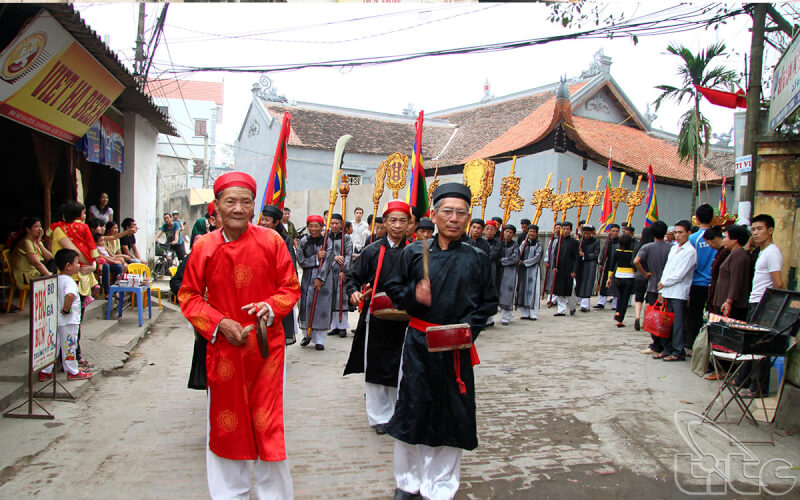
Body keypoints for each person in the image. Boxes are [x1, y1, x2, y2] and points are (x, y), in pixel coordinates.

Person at [178, 171, 300, 499]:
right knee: (225, 424)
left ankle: (273, 494)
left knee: (267, 423)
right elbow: (188, 295)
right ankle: (230, 493)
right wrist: (218, 323)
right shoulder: (204, 246)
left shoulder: (272, 241)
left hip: (265, 350)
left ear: (253, 207)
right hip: (225, 350)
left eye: (246, 202)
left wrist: (270, 307)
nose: (238, 208)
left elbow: (290, 287)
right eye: (230, 201)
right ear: (216, 206)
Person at [383, 183, 498, 500]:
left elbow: (488, 303)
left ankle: (441, 486)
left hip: (456, 350)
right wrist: (413, 297)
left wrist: (465, 332)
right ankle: (408, 482)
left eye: (461, 212)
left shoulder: (477, 257)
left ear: (468, 217)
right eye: (447, 211)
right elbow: (393, 291)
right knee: (412, 410)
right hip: (418, 344)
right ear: (433, 214)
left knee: (451, 415)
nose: (454, 218)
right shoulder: (412, 253)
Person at [344, 200, 411, 434]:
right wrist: (353, 292)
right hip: (377, 319)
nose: (397, 225)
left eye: (403, 220)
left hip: (405, 320)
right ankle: (379, 417)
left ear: (409, 223)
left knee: (400, 366)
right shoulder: (372, 251)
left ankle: (396, 414)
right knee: (377, 367)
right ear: (385, 222)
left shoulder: (415, 252)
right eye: (393, 220)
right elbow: (352, 277)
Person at [738, 214, 784, 398]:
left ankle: (758, 387)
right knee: (753, 347)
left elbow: (778, 284)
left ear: (770, 230)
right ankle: (750, 383)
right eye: (753, 229)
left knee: (760, 348)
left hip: (763, 304)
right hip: (755, 301)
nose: (755, 233)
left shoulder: (772, 252)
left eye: (760, 229)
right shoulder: (763, 251)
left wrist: (768, 305)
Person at [38, 249, 93, 381]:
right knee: (69, 345)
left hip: (56, 320)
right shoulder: (69, 281)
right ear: (68, 266)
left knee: (54, 345)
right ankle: (72, 371)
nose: (79, 265)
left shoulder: (56, 279)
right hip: (69, 320)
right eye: (76, 263)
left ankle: (45, 371)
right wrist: (66, 309)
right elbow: (69, 295)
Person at [656, 220, 697, 362]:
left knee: (678, 323)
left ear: (689, 233)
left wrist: (664, 283)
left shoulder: (690, 252)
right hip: (667, 290)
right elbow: (667, 269)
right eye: (676, 232)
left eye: (681, 232)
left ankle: (678, 350)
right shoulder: (673, 249)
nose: (678, 235)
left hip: (679, 292)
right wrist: (662, 288)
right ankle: (666, 348)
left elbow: (680, 274)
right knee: (666, 322)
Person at [260, 205, 298, 346]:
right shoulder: (256, 236)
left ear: (276, 223)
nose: (263, 223)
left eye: (267, 220)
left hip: (276, 285)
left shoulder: (284, 239)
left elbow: (289, 264)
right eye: (262, 219)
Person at [634, 221, 672, 354]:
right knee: (666, 316)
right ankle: (665, 344)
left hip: (652, 285)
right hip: (668, 286)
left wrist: (645, 273)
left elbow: (636, 261)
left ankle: (655, 344)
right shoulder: (671, 247)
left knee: (654, 316)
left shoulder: (648, 247)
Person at [297, 215, 334, 350]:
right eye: (310, 226)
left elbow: (328, 261)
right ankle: (307, 335)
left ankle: (320, 340)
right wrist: (316, 258)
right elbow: (301, 261)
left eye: (316, 226)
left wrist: (320, 278)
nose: (313, 229)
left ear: (321, 227)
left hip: (324, 280)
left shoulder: (327, 241)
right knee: (306, 306)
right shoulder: (303, 241)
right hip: (307, 279)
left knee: (321, 307)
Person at [686, 204, 717, 352]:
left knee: (695, 315)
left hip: (697, 282)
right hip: (714, 284)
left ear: (696, 219)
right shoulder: (720, 238)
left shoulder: (693, 238)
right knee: (713, 316)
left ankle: (696, 345)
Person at [712, 225, 751, 320]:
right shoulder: (734, 254)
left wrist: (729, 301)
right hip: (724, 301)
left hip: (731, 305)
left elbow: (736, 280)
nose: (723, 240)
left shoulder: (738, 255)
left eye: (725, 237)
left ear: (735, 240)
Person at [9, 217, 54, 289]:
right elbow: (36, 263)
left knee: (55, 262)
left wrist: (39, 243)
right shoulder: (26, 242)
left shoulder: (36, 241)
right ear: (28, 229)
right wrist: (49, 276)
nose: (39, 229)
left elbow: (50, 258)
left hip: (36, 273)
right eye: (36, 227)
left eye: (40, 226)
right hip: (27, 276)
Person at [327, 214, 353, 338]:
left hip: (341, 273)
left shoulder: (346, 238)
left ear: (341, 224)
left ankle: (342, 326)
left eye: (337, 223)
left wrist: (345, 271)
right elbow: (323, 253)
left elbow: (348, 254)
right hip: (328, 272)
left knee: (341, 299)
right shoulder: (326, 237)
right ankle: (334, 326)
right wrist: (334, 257)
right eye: (332, 223)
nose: (334, 225)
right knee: (330, 298)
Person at [606, 233, 635, 327]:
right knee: (625, 298)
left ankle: (618, 311)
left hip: (618, 275)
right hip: (629, 276)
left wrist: (609, 278)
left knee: (620, 296)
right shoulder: (632, 253)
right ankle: (620, 318)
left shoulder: (617, 252)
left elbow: (611, 265)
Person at [515, 224, 543, 320]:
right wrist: (518, 260)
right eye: (530, 231)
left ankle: (533, 313)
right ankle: (525, 313)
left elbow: (537, 257)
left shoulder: (538, 244)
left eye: (533, 232)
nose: (531, 233)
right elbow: (519, 253)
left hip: (533, 270)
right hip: (523, 270)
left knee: (533, 290)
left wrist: (525, 262)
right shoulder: (524, 243)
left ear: (536, 233)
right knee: (523, 289)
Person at [552, 222, 579, 316]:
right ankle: (561, 310)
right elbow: (555, 255)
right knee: (560, 291)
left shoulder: (574, 242)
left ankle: (572, 307)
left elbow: (576, 257)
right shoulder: (559, 241)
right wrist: (554, 266)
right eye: (564, 229)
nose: (565, 231)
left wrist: (574, 270)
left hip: (569, 269)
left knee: (571, 291)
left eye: (567, 229)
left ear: (570, 230)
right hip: (560, 269)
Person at [631, 227, 654, 330]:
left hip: (639, 275)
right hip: (651, 276)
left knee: (638, 298)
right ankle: (646, 320)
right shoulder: (652, 247)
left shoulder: (638, 247)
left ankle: (637, 316)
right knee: (649, 299)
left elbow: (634, 262)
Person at [498, 224, 520, 325]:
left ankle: (505, 317)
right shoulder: (499, 243)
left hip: (509, 272)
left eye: (511, 232)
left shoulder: (515, 245)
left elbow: (515, 258)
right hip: (498, 271)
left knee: (507, 293)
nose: (508, 234)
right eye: (507, 231)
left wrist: (501, 261)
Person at [574, 225, 600, 312]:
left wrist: (584, 255)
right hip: (581, 264)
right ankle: (579, 300)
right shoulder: (580, 241)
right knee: (580, 282)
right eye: (584, 233)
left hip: (590, 264)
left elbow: (596, 254)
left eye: (587, 233)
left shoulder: (596, 241)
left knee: (588, 282)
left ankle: (585, 304)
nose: (586, 235)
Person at [595, 224, 620, 310]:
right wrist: (601, 263)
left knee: (615, 285)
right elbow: (603, 253)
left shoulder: (620, 242)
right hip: (608, 264)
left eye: (617, 231)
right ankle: (601, 302)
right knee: (604, 283)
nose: (615, 233)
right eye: (613, 231)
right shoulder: (608, 241)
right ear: (609, 232)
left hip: (617, 265)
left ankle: (615, 304)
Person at [543, 223, 562, 304]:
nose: (558, 230)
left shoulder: (563, 241)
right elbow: (548, 251)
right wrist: (547, 260)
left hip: (561, 264)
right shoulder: (552, 240)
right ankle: (551, 297)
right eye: (556, 228)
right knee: (551, 280)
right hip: (552, 263)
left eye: (559, 228)